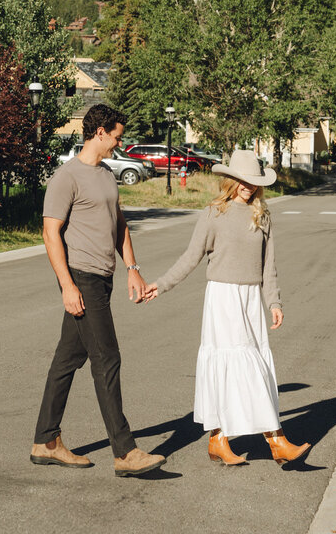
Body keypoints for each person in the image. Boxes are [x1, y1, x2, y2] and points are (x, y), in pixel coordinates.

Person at [148, 148, 310, 468]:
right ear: (231, 180)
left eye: (253, 181)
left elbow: (268, 265)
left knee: (255, 365)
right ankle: (276, 441)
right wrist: (162, 284)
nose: (248, 186)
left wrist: (273, 302)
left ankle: (218, 440)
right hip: (223, 298)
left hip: (251, 299)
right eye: (242, 180)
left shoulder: (262, 215)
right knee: (242, 367)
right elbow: (191, 257)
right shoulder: (214, 213)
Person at [31, 103, 166, 478]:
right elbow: (50, 233)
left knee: (67, 360)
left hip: (103, 278)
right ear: (100, 132)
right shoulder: (66, 177)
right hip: (83, 278)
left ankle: (46, 441)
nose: (119, 144)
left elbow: (119, 224)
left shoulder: (106, 175)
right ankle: (124, 452)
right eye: (117, 137)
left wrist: (133, 270)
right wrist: (67, 286)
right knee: (107, 359)